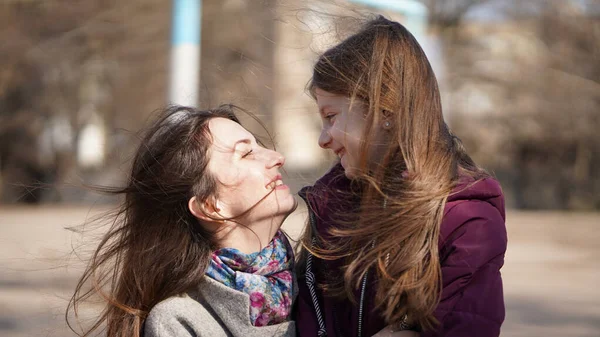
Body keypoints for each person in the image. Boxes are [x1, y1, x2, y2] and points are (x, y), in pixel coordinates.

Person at [294, 16, 507, 337]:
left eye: (331, 117)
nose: (322, 139)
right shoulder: (331, 206)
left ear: (385, 111)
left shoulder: (464, 220)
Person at [67, 105, 298, 337]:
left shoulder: (319, 279)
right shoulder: (178, 321)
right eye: (246, 153)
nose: (278, 158)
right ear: (210, 206)